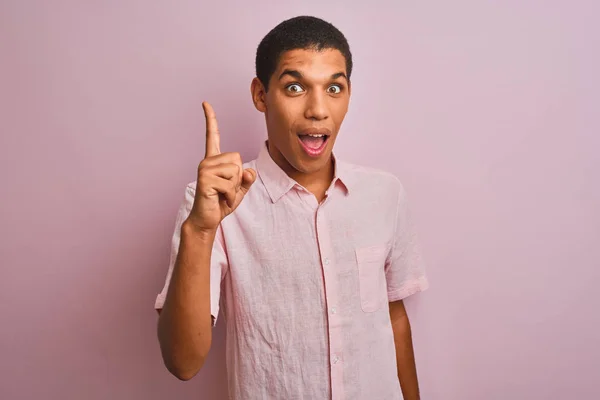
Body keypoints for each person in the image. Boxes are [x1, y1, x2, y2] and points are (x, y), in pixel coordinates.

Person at [155, 15, 429, 400]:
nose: (318, 109)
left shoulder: (385, 193)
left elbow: (394, 319)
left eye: (334, 87)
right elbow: (182, 362)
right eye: (295, 87)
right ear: (261, 95)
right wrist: (200, 231)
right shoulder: (213, 204)